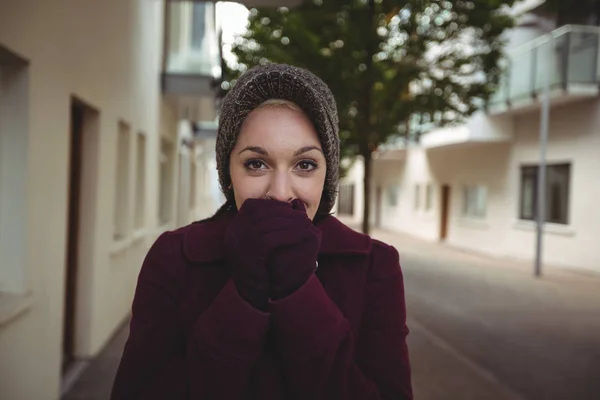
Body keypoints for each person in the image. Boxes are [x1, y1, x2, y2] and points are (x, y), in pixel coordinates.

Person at [111, 63, 413, 399]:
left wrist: (299, 292)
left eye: (305, 165)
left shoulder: (374, 265)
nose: (281, 193)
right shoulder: (174, 257)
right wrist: (243, 296)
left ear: (327, 176)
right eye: (256, 163)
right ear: (228, 173)